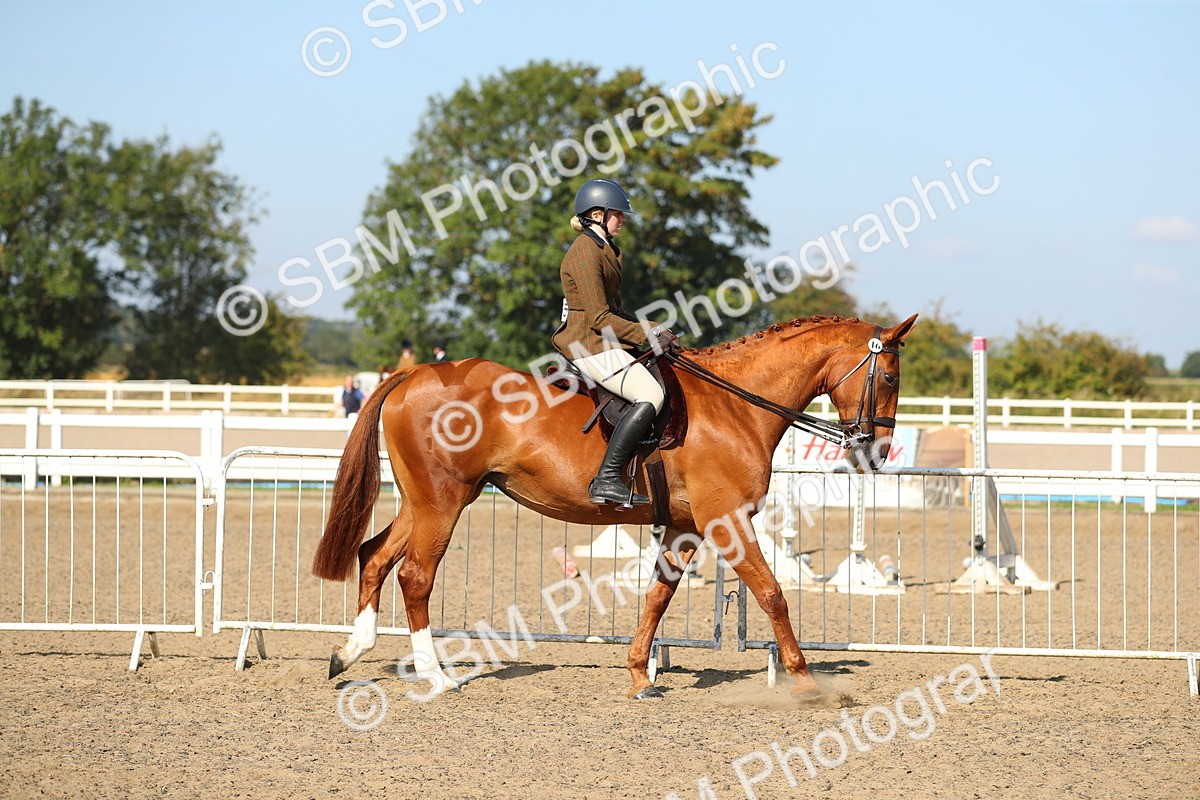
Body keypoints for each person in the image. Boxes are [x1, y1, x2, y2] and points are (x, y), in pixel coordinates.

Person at [550, 178, 677, 506]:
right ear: (597, 215)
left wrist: (653, 329)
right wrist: (646, 333)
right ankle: (606, 479)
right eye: (618, 213)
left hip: (602, 339)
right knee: (651, 394)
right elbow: (599, 317)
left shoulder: (605, 250)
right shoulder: (584, 252)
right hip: (587, 342)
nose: (622, 219)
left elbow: (615, 311)